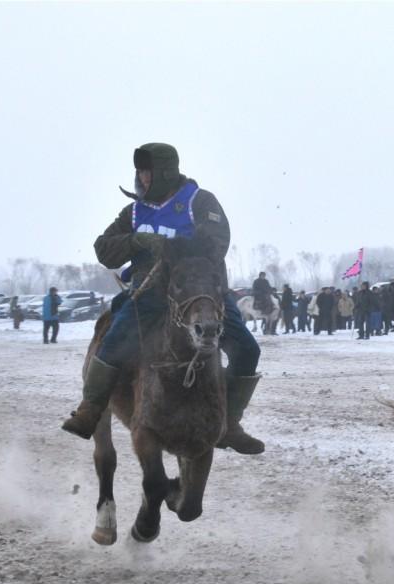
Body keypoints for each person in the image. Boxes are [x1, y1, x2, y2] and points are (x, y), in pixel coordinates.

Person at [61, 143, 265, 454]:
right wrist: (137, 239)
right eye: (139, 172)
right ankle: (90, 409)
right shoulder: (132, 212)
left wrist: (172, 248)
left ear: (165, 172)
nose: (141, 178)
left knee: (247, 350)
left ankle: (230, 423)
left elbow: (216, 242)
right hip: (149, 294)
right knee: (112, 342)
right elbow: (104, 248)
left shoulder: (200, 201)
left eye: (147, 171)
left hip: (199, 292)